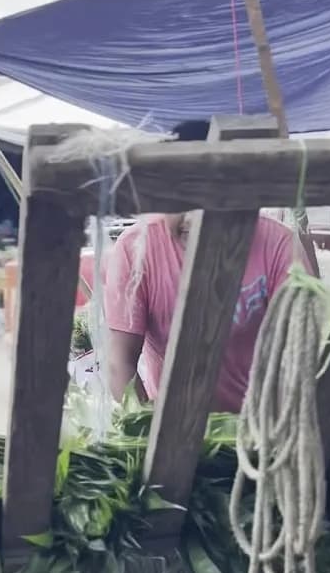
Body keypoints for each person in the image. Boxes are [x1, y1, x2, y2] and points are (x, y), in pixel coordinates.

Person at [105, 120, 309, 412]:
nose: (191, 218)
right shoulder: (137, 250)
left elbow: (301, 353)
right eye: (182, 198)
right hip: (169, 423)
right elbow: (121, 362)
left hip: (255, 425)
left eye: (208, 199)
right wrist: (144, 429)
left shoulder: (277, 245)